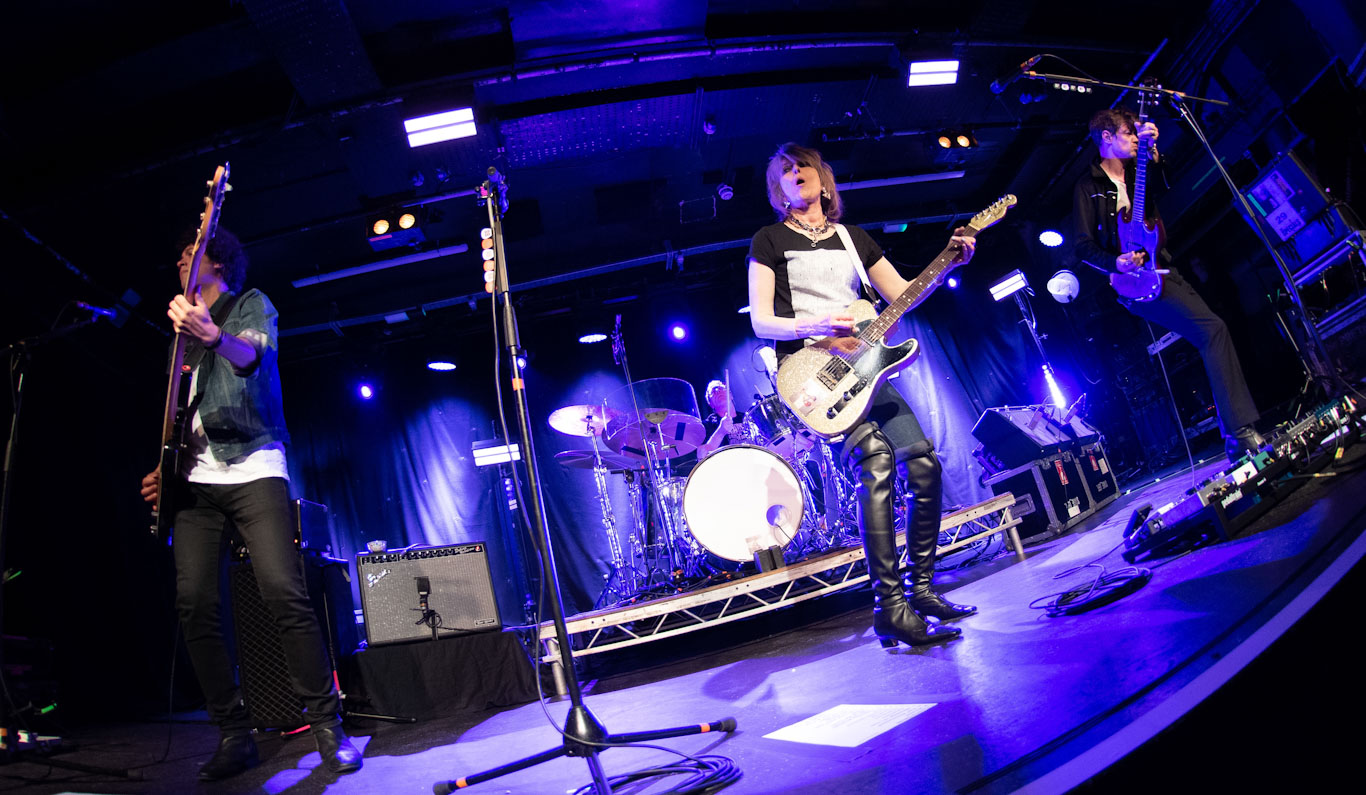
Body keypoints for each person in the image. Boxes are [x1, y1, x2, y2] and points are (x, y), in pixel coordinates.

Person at [139, 229, 362, 780]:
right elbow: (180, 417)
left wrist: (213, 335)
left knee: (285, 592)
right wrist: (161, 471)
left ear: (219, 263)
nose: (180, 257)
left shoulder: (250, 304)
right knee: (194, 604)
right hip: (193, 481)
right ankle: (233, 733)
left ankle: (328, 728)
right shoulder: (177, 340)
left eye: (191, 252)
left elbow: (250, 359)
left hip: (256, 464)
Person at [747, 142, 977, 649]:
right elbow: (762, 320)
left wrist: (949, 264)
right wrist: (819, 321)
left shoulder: (853, 239)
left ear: (825, 180)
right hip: (813, 372)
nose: (795, 171)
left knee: (923, 465)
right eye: (784, 169)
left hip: (867, 368)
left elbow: (903, 294)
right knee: (875, 461)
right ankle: (888, 606)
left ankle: (919, 590)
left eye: (803, 164)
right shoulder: (768, 240)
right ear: (777, 190)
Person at [1073, 108, 1262, 461]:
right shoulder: (1088, 188)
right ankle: (1238, 432)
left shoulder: (1135, 173)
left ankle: (1235, 432)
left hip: (1165, 269)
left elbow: (1163, 185)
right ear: (1106, 138)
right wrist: (1115, 261)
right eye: (1127, 133)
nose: (1133, 138)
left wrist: (1153, 152)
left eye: (1135, 133)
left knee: (1214, 333)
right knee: (1213, 331)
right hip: (1132, 282)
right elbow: (1082, 246)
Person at [694, 380, 753, 460]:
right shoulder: (705, 426)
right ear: (710, 403)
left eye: (721, 388)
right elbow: (702, 455)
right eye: (713, 391)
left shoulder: (748, 418)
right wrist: (720, 432)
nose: (717, 391)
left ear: (731, 395)